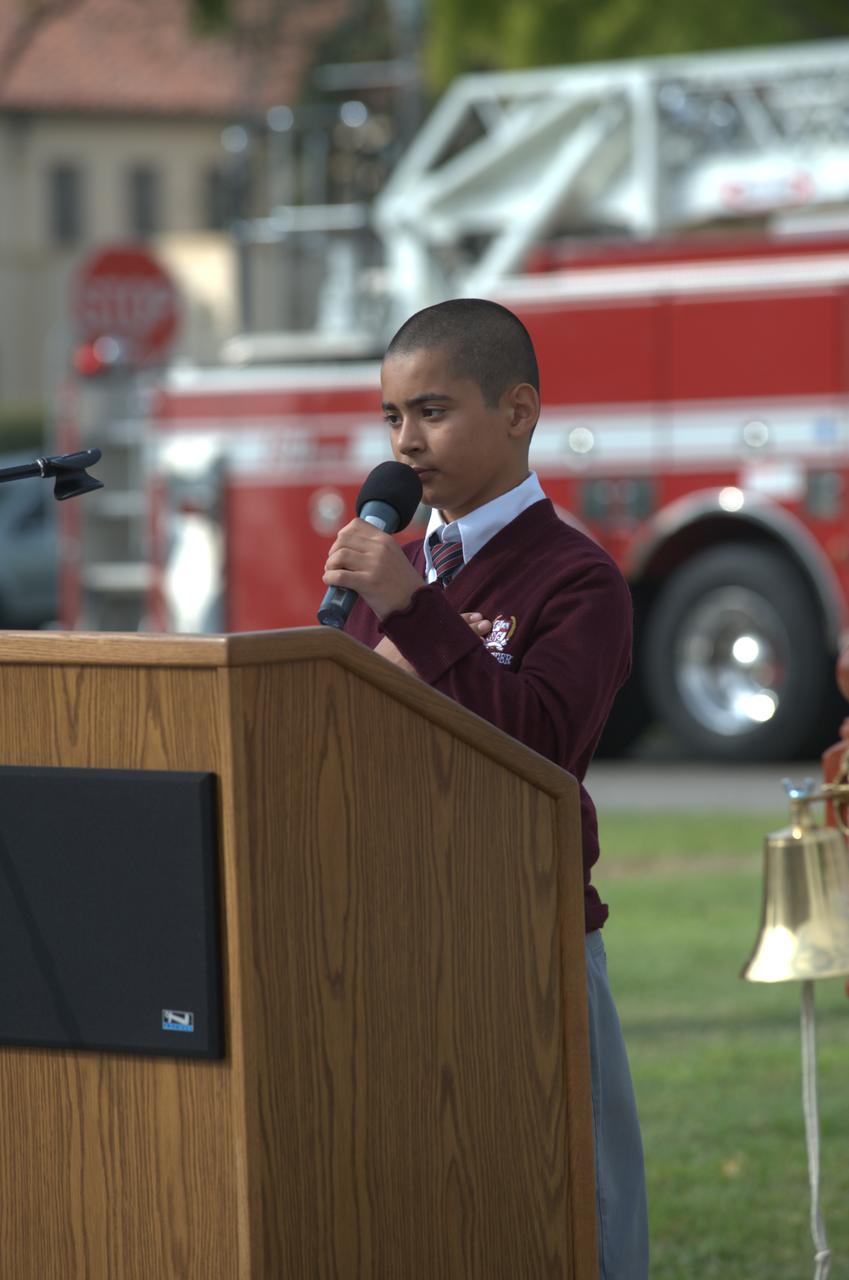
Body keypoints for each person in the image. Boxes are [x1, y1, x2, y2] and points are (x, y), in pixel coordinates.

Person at [322, 297, 649, 1279]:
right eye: (391, 418)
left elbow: (542, 744)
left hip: (525, 932)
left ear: (518, 411)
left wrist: (414, 612)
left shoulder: (573, 578)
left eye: (432, 411)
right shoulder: (394, 576)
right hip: (395, 929)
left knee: (568, 1209)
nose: (405, 442)